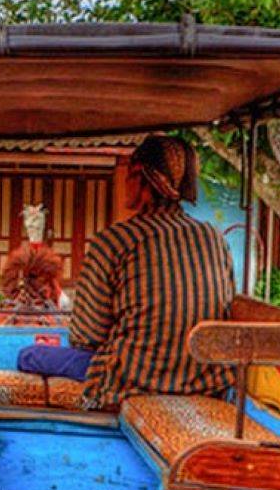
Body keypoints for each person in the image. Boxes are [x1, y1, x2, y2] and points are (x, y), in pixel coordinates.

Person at [68, 134, 236, 409]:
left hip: (131, 378)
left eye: (128, 172)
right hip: (206, 380)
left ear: (142, 176)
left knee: (30, 356)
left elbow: (87, 335)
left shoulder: (115, 241)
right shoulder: (214, 237)